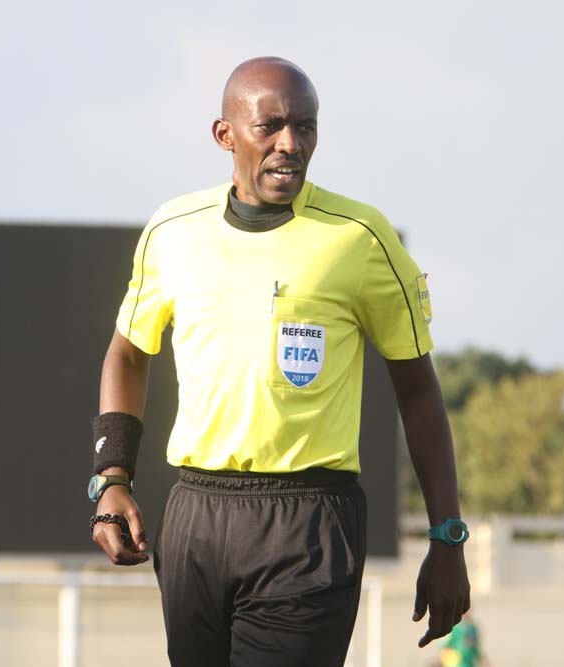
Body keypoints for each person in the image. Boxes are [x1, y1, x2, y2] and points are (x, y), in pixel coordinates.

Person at [89, 56, 470, 666]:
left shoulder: (360, 236)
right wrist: (112, 479)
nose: (290, 144)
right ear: (225, 134)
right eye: (270, 126)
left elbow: (419, 391)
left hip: (309, 521)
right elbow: (128, 355)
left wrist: (447, 536)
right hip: (195, 516)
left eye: (306, 126)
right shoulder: (172, 230)